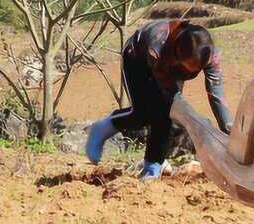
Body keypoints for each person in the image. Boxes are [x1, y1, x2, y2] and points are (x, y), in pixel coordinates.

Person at [85, 19, 234, 180]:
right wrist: (196, 122)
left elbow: (216, 93)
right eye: (189, 67)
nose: (194, 72)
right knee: (144, 113)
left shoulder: (211, 55)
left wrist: (229, 129)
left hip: (170, 69)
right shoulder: (157, 43)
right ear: (178, 54)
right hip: (137, 60)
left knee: (167, 115)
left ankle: (153, 164)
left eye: (197, 69)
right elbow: (169, 95)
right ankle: (102, 128)